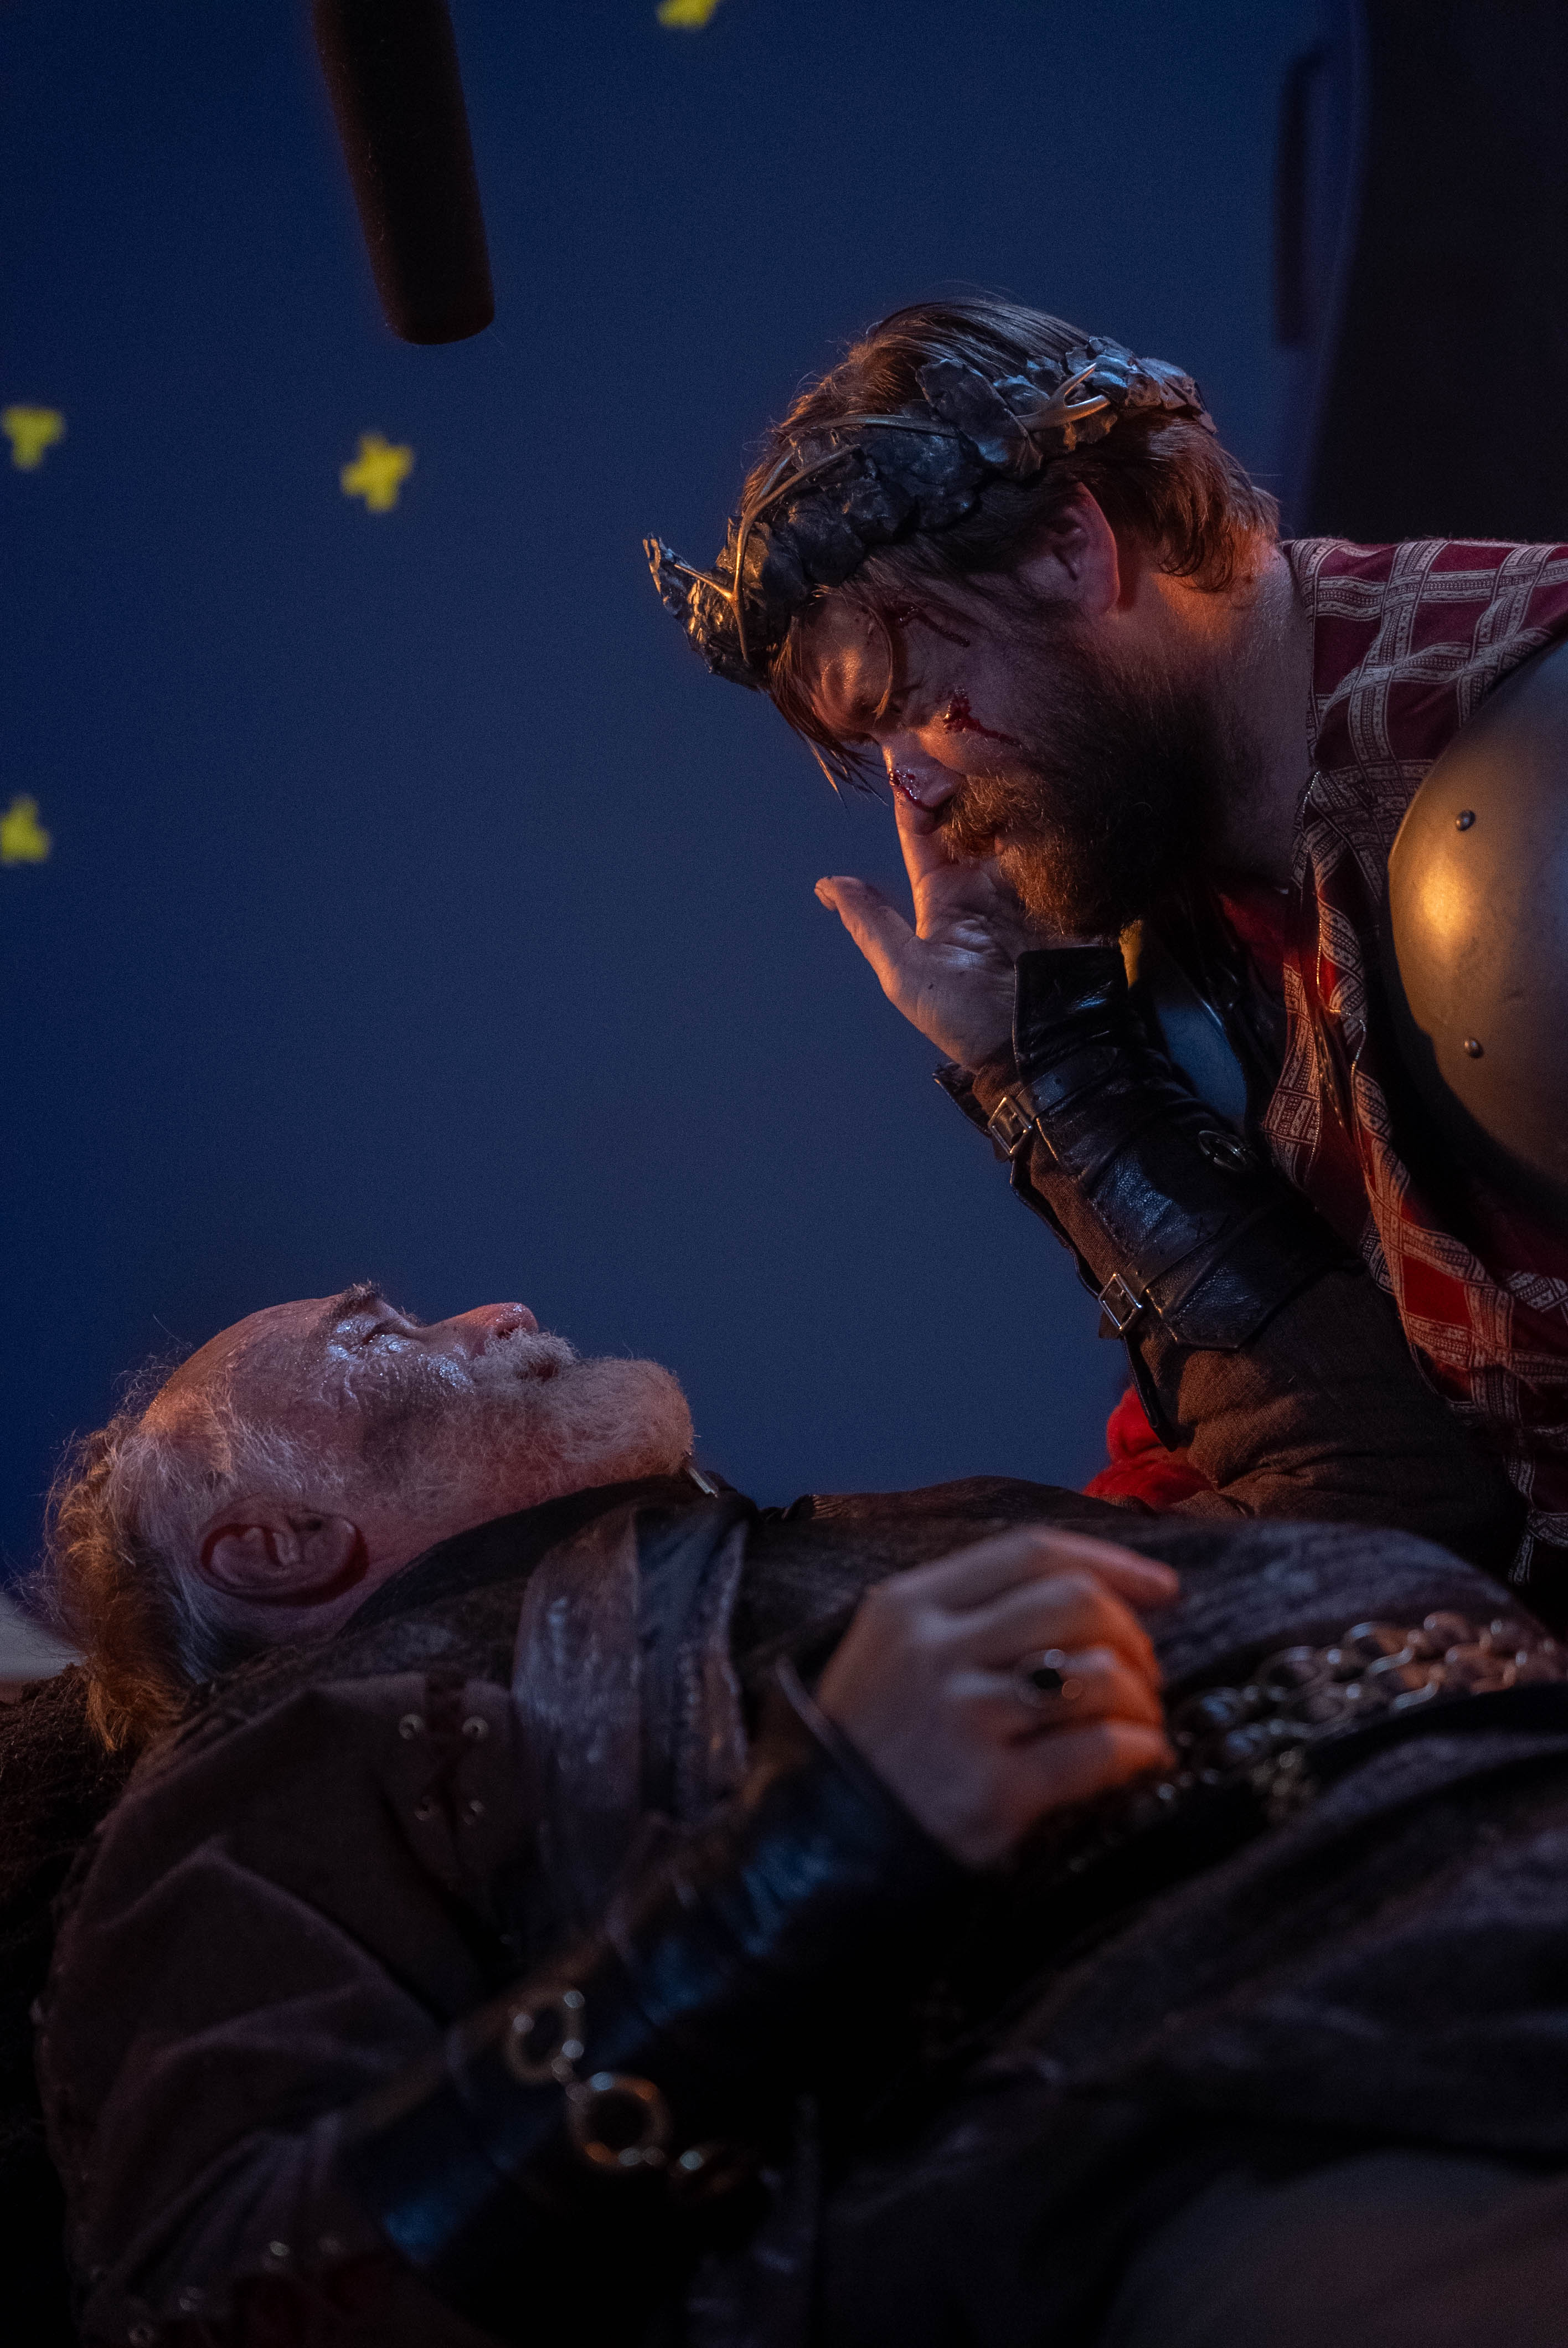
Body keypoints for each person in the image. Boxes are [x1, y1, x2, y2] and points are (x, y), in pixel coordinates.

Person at [32, 1275, 1568, 2346]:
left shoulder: (864, 1535)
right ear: (280, 1545)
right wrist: (814, 1854)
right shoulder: (254, 1785)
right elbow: (230, 2302)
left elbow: (1386, 1505)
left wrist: (1043, 1061)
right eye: (382, 1330)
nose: (494, 1311)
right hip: (1304, 2133)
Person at [646, 294, 1568, 1598]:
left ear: (1069, 550)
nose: (915, 789)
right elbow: (1282, 1471)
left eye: (910, 702)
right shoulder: (1165, 912)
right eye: (875, 750)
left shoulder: (1519, 728)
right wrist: (1043, 1055)